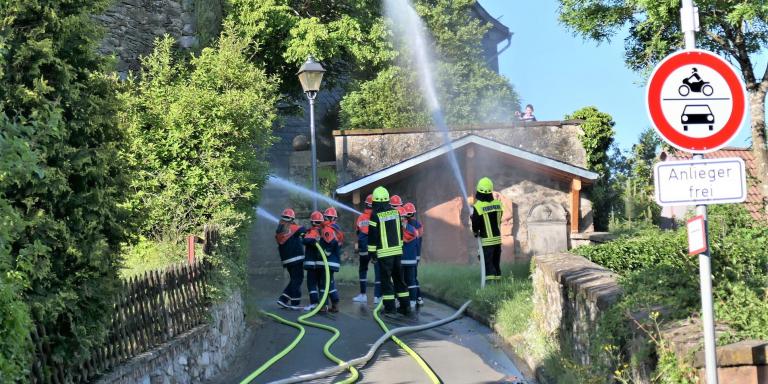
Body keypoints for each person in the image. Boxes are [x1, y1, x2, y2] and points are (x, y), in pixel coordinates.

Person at [368, 186, 410, 316]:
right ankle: (405, 306)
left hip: (384, 254)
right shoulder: (395, 213)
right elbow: (400, 231)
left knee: (386, 282)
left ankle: (390, 308)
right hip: (397, 252)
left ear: (375, 201)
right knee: (399, 280)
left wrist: (372, 253)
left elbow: (373, 236)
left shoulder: (375, 215)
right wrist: (400, 247)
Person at [470, 177, 504, 283]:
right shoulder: (498, 205)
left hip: (486, 242)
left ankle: (489, 288)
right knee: (496, 263)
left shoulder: (478, 206)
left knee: (488, 265)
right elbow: (497, 219)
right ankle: (498, 286)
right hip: (497, 240)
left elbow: (476, 224)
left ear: (479, 191)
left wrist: (475, 231)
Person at [275, 208, 307, 309]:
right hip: (296, 258)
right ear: (292, 219)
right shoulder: (293, 228)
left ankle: (283, 299)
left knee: (294, 279)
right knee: (298, 279)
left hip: (287, 260)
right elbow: (303, 230)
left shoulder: (279, 230)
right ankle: (295, 303)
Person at [353, 195, 382, 304]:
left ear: (366, 204)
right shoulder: (378, 216)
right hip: (376, 248)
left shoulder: (361, 217)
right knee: (378, 271)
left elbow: (358, 232)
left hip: (364, 248)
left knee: (363, 270)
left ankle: (363, 295)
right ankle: (377, 297)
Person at [318, 207, 343, 312]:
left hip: (328, 261)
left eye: (325, 217)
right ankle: (335, 304)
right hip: (334, 261)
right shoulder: (336, 229)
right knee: (330, 282)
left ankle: (323, 306)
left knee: (324, 283)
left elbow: (331, 242)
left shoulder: (327, 229)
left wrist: (326, 252)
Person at [302, 211, 325, 311]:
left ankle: (314, 303)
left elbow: (306, 240)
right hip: (322, 264)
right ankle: (323, 304)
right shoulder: (324, 231)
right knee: (321, 284)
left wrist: (304, 235)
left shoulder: (312, 232)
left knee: (311, 284)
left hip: (312, 264)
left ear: (312, 222)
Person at [403, 202, 424, 306]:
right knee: (413, 278)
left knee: (408, 279)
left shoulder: (405, 226)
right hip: (414, 255)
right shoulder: (418, 225)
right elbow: (419, 241)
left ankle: (413, 298)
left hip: (407, 256)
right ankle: (418, 298)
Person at [400, 206, 419, 310]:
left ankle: (410, 300)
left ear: (404, 218)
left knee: (405, 281)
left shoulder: (402, 230)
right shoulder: (413, 230)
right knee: (410, 281)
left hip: (403, 260)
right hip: (411, 260)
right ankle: (412, 300)